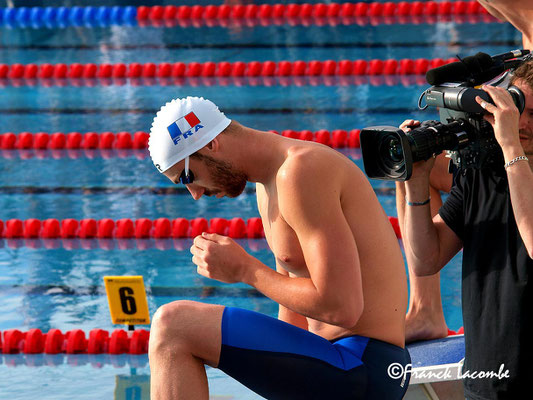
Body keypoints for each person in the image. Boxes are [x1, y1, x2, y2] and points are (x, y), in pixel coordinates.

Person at [147, 96, 410, 399]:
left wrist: (246, 270)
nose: (194, 194)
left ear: (210, 145)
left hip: (364, 366)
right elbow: (292, 311)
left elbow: (343, 308)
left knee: (173, 325)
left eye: (188, 176)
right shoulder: (267, 183)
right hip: (332, 362)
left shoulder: (301, 171)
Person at [402, 60, 533, 399]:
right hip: (485, 380)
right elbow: (425, 260)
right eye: (519, 108)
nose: (524, 123)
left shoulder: (510, 158)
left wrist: (511, 149)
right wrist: (416, 182)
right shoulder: (481, 175)